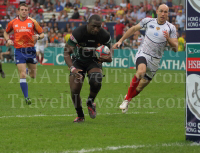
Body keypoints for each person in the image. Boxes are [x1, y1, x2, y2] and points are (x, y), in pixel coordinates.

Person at [113, 4, 178, 113]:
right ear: (157, 11)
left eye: (165, 12)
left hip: (155, 61)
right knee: (141, 71)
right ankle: (127, 99)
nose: (163, 14)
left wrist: (168, 39)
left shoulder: (171, 28)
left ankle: (127, 98)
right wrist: (120, 40)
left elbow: (175, 48)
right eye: (161, 11)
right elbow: (133, 29)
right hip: (143, 54)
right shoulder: (148, 21)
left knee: (139, 88)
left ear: (168, 14)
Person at [64, 14, 112, 123]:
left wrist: (105, 58)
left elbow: (110, 56)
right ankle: (80, 115)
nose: (96, 29)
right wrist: (72, 68)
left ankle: (90, 101)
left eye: (98, 26)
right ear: (88, 24)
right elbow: (66, 52)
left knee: (96, 81)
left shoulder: (105, 35)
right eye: (93, 26)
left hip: (94, 61)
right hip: (78, 61)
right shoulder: (78, 33)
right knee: (75, 90)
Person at [4, 3, 44, 104]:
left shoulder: (32, 21)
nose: (24, 11)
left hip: (30, 50)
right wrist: (8, 40)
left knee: (33, 75)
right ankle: (27, 98)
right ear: (18, 11)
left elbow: (42, 33)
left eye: (26, 10)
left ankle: (26, 69)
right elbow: (6, 32)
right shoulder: (13, 22)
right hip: (19, 50)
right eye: (22, 9)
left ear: (28, 11)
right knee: (22, 74)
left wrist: (38, 37)